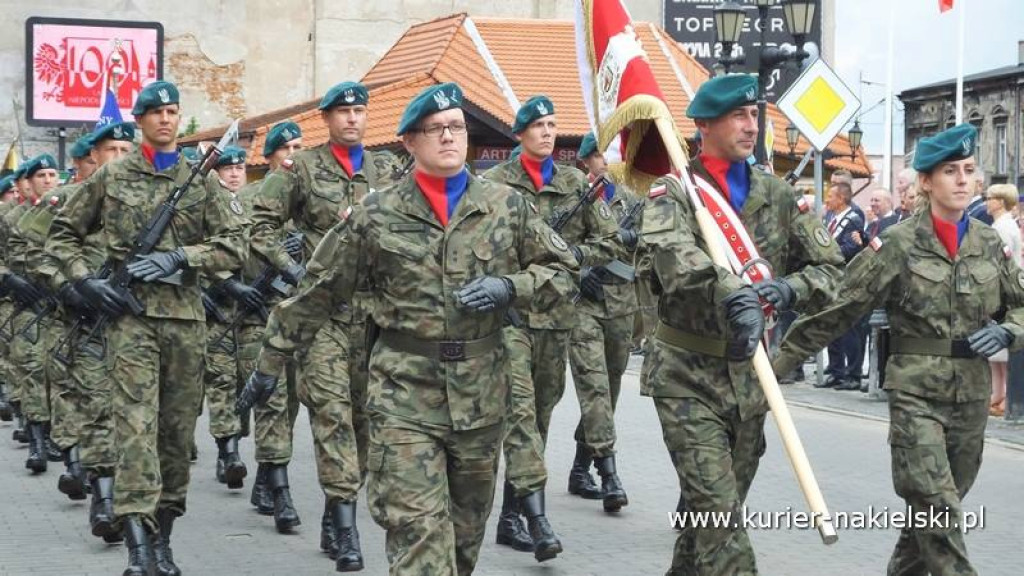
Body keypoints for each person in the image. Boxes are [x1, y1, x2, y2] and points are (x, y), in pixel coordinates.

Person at [238, 82, 578, 576]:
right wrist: (270, 363)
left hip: (482, 395)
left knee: (464, 541)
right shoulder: (375, 215)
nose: (448, 137)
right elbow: (318, 292)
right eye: (435, 129)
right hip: (403, 395)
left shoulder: (507, 206)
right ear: (408, 142)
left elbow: (565, 272)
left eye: (457, 127)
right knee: (419, 538)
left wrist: (512, 286)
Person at [775, 123, 1023, 576]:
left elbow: (1021, 306)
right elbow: (841, 307)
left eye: (969, 170)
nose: (964, 180)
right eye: (951, 171)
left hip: (970, 398)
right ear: (926, 182)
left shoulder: (988, 244)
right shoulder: (896, 243)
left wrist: (1009, 331)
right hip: (915, 398)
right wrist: (775, 368)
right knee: (939, 508)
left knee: (928, 519)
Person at [639, 74, 843, 575]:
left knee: (706, 519)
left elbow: (833, 269)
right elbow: (676, 260)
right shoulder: (674, 193)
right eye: (738, 115)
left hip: (752, 380)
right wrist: (736, 292)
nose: (751, 125)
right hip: (688, 376)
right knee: (722, 521)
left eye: (755, 114)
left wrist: (788, 289)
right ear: (704, 125)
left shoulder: (776, 194)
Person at [48, 80, 246, 576]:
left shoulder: (200, 183)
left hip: (185, 320)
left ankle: (163, 536)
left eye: (174, 111)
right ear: (139, 121)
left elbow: (236, 245)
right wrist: (84, 283)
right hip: (129, 319)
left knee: (176, 436)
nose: (165, 119)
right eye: (155, 112)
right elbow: (61, 236)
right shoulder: (112, 177)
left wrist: (184, 255)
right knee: (135, 430)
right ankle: (138, 545)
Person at [247, 81, 401, 568]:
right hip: (322, 318)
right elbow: (258, 225)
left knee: (363, 422)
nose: (353, 119)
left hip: (374, 318)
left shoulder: (389, 171)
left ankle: (337, 509)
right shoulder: (302, 169)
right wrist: (291, 270)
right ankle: (346, 529)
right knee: (332, 415)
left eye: (360, 111)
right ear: (327, 118)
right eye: (344, 112)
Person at [483, 95, 620, 560]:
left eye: (551, 123)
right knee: (519, 415)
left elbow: (612, 240)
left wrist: (578, 257)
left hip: (558, 317)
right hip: (512, 319)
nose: (546, 131)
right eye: (537, 124)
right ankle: (537, 520)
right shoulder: (495, 183)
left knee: (538, 420)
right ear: (519, 133)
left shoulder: (576, 182)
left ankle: (509, 516)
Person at [48, 121, 136, 541]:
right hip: (89, 324)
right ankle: (103, 498)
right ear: (91, 157)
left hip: (138, 324)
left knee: (137, 416)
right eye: (110, 150)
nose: (118, 157)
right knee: (99, 407)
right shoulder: (69, 200)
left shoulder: (146, 201)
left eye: (125, 149)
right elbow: (43, 256)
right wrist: (72, 287)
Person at [234, 121, 304, 522]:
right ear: (271, 156)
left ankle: (265, 475)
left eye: (299, 146)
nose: (293, 154)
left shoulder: (311, 197)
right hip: (260, 313)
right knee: (272, 400)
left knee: (291, 406)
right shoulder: (247, 199)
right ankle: (281, 493)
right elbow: (234, 251)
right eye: (286, 148)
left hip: (301, 315)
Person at [569, 131, 638, 510]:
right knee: (594, 388)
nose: (606, 161)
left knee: (607, 394)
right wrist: (579, 273)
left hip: (621, 305)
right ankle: (609, 473)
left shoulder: (631, 200)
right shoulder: (575, 198)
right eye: (598, 155)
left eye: (611, 153)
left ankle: (581, 468)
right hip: (584, 303)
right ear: (585, 162)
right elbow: (551, 244)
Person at [5, 154, 62, 473]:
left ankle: (62, 439)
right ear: (27, 182)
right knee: (33, 369)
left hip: (63, 305)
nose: (48, 180)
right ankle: (38, 442)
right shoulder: (12, 218)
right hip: (27, 306)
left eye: (53, 174)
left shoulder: (69, 212)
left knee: (61, 376)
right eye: (41, 175)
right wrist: (11, 278)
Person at [201, 145, 250, 491]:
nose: (234, 173)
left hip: (251, 314)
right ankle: (228, 452)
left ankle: (233, 441)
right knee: (220, 380)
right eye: (227, 168)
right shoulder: (205, 209)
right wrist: (213, 286)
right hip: (216, 312)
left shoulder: (260, 206)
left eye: (239, 168)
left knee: (247, 384)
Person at [818, 180, 866, 390]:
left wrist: (826, 254)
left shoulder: (853, 219)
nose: (827, 199)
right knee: (831, 326)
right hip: (830, 279)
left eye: (831, 196)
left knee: (850, 329)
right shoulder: (830, 217)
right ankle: (835, 370)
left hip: (845, 279)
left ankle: (853, 373)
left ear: (842, 199)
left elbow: (851, 249)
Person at [985, 183, 1021, 417]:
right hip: (999, 288)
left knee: (1003, 351)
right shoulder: (999, 225)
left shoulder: (1004, 227)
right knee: (995, 355)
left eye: (990, 198)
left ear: (1000, 201)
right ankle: (997, 395)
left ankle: (1005, 396)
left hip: (1004, 289)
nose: (987, 202)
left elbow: (1001, 261)